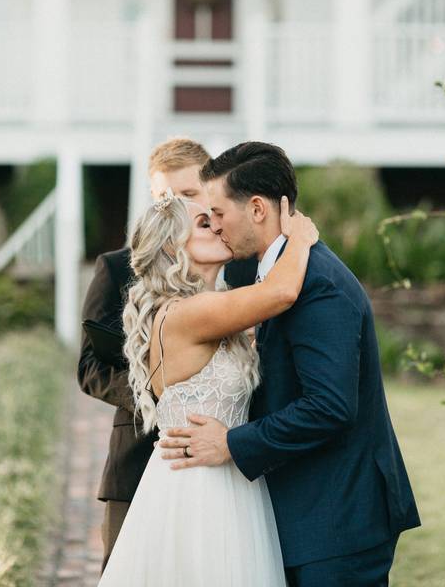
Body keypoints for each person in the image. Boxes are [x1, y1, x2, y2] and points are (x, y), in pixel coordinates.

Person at [158, 142, 420, 586]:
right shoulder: (258, 274)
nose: (214, 225)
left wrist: (233, 443)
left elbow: (330, 406)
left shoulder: (320, 285)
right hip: (297, 512)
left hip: (338, 521)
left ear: (257, 208)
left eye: (218, 213)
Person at [97, 192, 319, 585]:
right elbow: (280, 294)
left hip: (226, 478)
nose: (217, 225)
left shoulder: (210, 308)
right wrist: (299, 239)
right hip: (199, 492)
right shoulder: (186, 313)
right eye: (203, 223)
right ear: (172, 246)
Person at [77, 137, 256, 570]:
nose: (174, 206)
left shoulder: (244, 263)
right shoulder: (119, 266)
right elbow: (89, 368)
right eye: (163, 197)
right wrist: (166, 394)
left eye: (188, 195)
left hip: (229, 457)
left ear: (213, 191)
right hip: (139, 451)